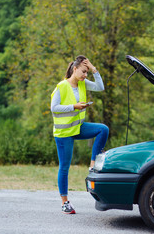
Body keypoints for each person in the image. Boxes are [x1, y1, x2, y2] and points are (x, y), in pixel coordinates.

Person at [50, 55, 109, 214]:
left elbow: (100, 87)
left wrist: (93, 68)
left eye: (87, 72)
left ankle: (92, 164)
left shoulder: (83, 83)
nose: (85, 75)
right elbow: (54, 108)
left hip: (78, 127)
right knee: (64, 167)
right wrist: (73, 107)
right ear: (74, 69)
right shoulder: (61, 86)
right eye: (83, 71)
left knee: (103, 129)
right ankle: (65, 202)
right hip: (64, 133)